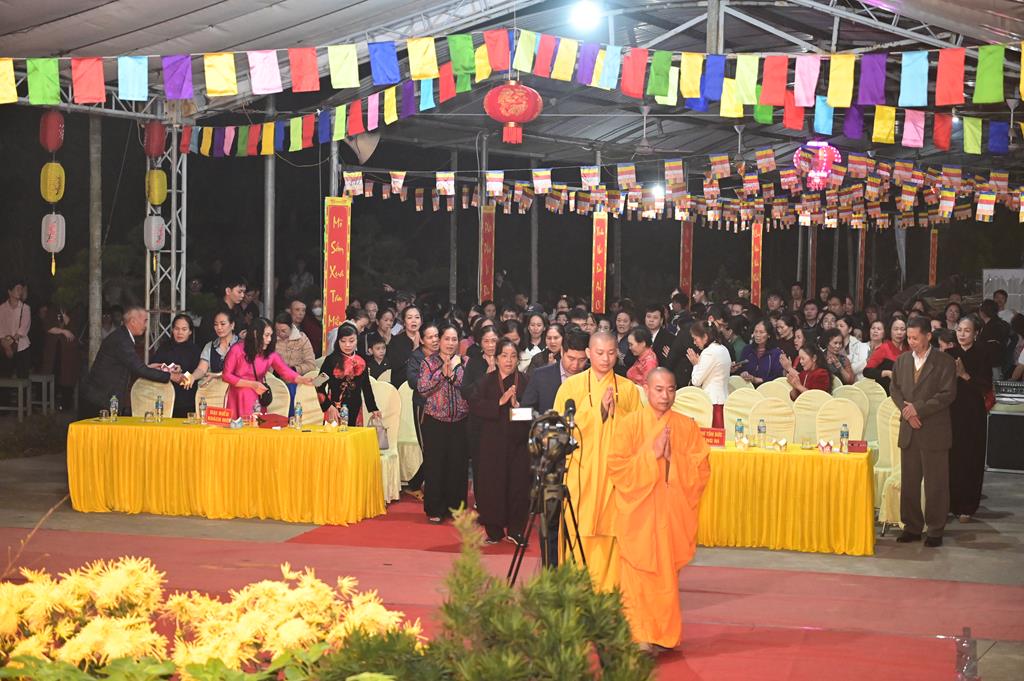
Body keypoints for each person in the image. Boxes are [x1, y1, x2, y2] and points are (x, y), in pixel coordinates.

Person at [608, 368, 711, 651]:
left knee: (665, 575)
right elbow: (617, 468)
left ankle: (663, 635)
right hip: (638, 516)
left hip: (670, 514)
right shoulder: (629, 425)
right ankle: (639, 635)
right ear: (645, 389)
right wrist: (650, 454)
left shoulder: (686, 426)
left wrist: (673, 458)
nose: (665, 396)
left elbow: (701, 470)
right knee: (637, 576)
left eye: (671, 389)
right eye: (659, 389)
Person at [553, 331, 641, 592]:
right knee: (577, 529)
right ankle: (576, 591)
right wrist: (597, 411)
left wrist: (617, 412)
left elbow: (638, 432)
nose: (605, 358)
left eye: (611, 353)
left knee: (614, 532)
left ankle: (611, 592)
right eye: (600, 353)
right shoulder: (571, 387)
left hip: (614, 477)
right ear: (589, 353)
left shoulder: (628, 389)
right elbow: (559, 430)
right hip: (580, 474)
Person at [890, 317, 957, 547]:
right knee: (909, 482)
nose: (911, 342)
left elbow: (947, 394)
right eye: (908, 337)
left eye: (915, 338)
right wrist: (908, 413)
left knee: (936, 483)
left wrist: (917, 409)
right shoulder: (902, 360)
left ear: (928, 336)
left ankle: (936, 530)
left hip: (934, 430)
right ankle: (912, 527)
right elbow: (895, 389)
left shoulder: (945, 362)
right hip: (910, 430)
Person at [468, 338, 531, 545]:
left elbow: (532, 413)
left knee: (518, 487)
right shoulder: (485, 382)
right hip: (492, 444)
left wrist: (517, 407)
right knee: (492, 486)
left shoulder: (525, 381)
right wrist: (499, 402)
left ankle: (516, 530)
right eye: (504, 356)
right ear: (496, 359)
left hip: (518, 444)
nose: (509, 361)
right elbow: (474, 405)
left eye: (513, 356)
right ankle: (494, 531)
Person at [81, 306, 182, 416]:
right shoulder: (122, 340)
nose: (146, 325)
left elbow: (131, 365)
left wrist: (149, 367)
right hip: (100, 399)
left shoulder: (123, 336)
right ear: (133, 322)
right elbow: (139, 369)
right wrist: (170, 376)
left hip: (102, 397)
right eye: (144, 321)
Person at [418, 323, 470, 523]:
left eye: (454, 339)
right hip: (435, 421)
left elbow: (468, 387)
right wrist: (442, 374)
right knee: (435, 465)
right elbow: (423, 388)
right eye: (446, 339)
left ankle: (456, 508)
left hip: (460, 421)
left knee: (458, 465)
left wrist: (454, 371)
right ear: (438, 341)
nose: (450, 343)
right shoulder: (428, 363)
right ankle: (435, 509)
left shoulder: (464, 362)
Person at [945, 316, 991, 523]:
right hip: (951, 411)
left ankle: (967, 506)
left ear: (975, 333)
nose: (962, 334)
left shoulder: (983, 354)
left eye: (967, 330)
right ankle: (950, 503)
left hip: (973, 413)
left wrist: (965, 375)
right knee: (952, 457)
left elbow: (986, 385)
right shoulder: (949, 354)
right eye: (959, 330)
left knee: (971, 457)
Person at [221, 317, 313, 419]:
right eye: (266, 335)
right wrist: (252, 384)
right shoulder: (237, 350)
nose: (269, 339)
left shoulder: (270, 354)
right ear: (255, 334)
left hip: (257, 396)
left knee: (257, 425)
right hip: (237, 396)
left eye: (271, 336)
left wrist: (302, 379)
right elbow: (226, 375)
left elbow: (285, 371)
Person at [460, 324, 500, 492]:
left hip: (500, 421)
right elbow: (465, 392)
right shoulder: (474, 363)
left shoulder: (507, 360)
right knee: (480, 462)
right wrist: (486, 377)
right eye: (486, 341)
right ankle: (480, 497)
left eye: (494, 341)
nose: (490, 345)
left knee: (499, 463)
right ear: (480, 343)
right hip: (478, 421)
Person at [317, 324, 380, 426]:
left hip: (356, 409)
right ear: (338, 341)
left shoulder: (362, 360)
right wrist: (328, 406)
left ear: (357, 340)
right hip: (335, 409)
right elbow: (318, 384)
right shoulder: (330, 360)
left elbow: (366, 386)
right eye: (343, 341)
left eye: (351, 341)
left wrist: (373, 408)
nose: (347, 345)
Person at [521, 330, 589, 413]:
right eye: (571, 358)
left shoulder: (594, 376)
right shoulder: (540, 376)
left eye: (582, 360)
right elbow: (524, 411)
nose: (575, 365)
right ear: (562, 351)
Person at [150, 314, 201, 418]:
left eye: (184, 329)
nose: (180, 332)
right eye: (177, 329)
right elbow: (151, 369)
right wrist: (169, 371)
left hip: (186, 400)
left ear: (190, 331)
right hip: (163, 398)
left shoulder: (195, 350)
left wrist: (182, 373)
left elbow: (197, 376)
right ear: (172, 330)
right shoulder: (164, 347)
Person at [687, 322, 731, 427]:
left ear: (705, 337)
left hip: (712, 402)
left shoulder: (708, 352)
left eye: (695, 339)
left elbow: (696, 381)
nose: (694, 343)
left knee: (712, 435)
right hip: (723, 400)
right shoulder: (723, 348)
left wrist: (695, 364)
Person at [39, 304, 81, 410]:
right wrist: (63, 331)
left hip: (68, 353)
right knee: (53, 376)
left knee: (67, 378)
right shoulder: (52, 310)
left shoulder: (75, 311)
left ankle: (65, 406)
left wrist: (67, 319)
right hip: (54, 352)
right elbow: (47, 327)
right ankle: (49, 405)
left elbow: (75, 331)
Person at [188, 309, 239, 387]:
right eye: (216, 324)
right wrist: (193, 377)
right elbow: (201, 369)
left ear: (232, 325)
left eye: (222, 324)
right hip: (216, 390)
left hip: (237, 390)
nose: (219, 327)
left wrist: (218, 375)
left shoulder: (241, 345)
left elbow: (243, 370)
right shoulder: (210, 346)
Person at [864, 317, 910, 394]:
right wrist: (886, 373)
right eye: (896, 329)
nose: (899, 332)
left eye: (902, 329)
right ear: (890, 331)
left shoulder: (909, 349)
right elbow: (867, 371)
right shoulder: (884, 348)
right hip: (885, 393)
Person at [739, 319, 784, 386]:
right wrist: (743, 373)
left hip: (767, 388)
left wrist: (758, 380)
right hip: (747, 387)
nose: (757, 335)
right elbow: (741, 368)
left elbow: (777, 376)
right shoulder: (747, 349)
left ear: (768, 335)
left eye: (761, 332)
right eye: (756, 331)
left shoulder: (776, 353)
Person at [0, 279, 31, 378]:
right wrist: (6, 346)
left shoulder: (25, 308)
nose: (20, 291)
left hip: (22, 347)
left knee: (23, 377)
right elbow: (1, 328)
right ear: (10, 292)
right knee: (5, 378)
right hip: (4, 346)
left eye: (21, 289)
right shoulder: (2, 308)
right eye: (18, 289)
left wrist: (11, 341)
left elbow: (23, 328)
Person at [387, 305, 423, 388]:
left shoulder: (427, 339)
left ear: (421, 321)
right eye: (409, 318)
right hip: (402, 385)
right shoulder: (395, 341)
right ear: (404, 322)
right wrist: (415, 348)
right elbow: (395, 366)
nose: (414, 321)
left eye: (417, 317)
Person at [977, 299, 1010, 380]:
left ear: (983, 312)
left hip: (993, 362)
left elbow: (992, 346)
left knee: (995, 383)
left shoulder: (994, 326)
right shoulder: (994, 323)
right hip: (992, 362)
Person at [838, 315, 869, 381]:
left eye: (841, 326)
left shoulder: (861, 346)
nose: (838, 328)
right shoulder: (832, 346)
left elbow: (863, 365)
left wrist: (845, 358)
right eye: (836, 326)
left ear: (849, 329)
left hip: (857, 382)